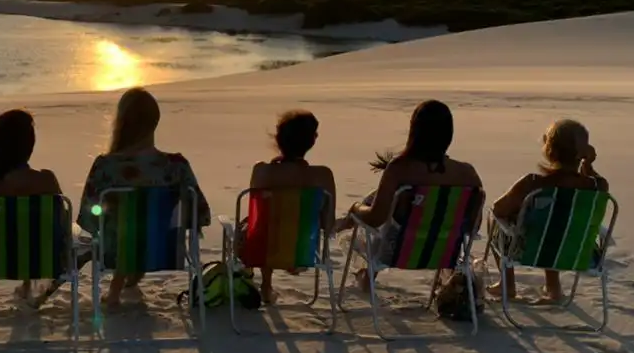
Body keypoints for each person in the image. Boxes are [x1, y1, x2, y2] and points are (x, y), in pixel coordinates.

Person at [78, 87, 211, 310]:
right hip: (164, 250)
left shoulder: (106, 167)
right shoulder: (176, 166)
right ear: (155, 121)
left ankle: (118, 288)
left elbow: (89, 219)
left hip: (116, 251)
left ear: (122, 122)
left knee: (125, 227)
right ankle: (130, 280)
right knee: (146, 224)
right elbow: (200, 213)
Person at [335, 100, 482, 293]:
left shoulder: (400, 169)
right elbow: (473, 226)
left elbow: (375, 218)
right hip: (444, 254)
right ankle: (445, 276)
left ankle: (366, 275)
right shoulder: (467, 174)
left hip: (396, 252)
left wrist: (355, 209)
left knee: (376, 215)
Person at [488, 119, 609, 303]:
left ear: (550, 151)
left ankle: (507, 283)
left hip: (533, 250)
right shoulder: (598, 186)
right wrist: (589, 167)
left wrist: (518, 215)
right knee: (558, 226)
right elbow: (594, 182)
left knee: (497, 220)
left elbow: (498, 209)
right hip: (580, 253)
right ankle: (554, 288)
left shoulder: (533, 183)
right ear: (583, 153)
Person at [0, 109, 62, 302]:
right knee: (35, 230)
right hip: (45, 262)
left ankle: (26, 284)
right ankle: (30, 283)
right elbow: (60, 224)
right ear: (29, 145)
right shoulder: (46, 181)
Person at [245, 110, 336, 304]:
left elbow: (259, 212)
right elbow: (328, 224)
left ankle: (266, 284)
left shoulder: (262, 171)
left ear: (279, 140)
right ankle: (268, 284)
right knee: (283, 225)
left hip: (262, 248)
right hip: (302, 250)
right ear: (311, 142)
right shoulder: (322, 175)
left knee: (262, 224)